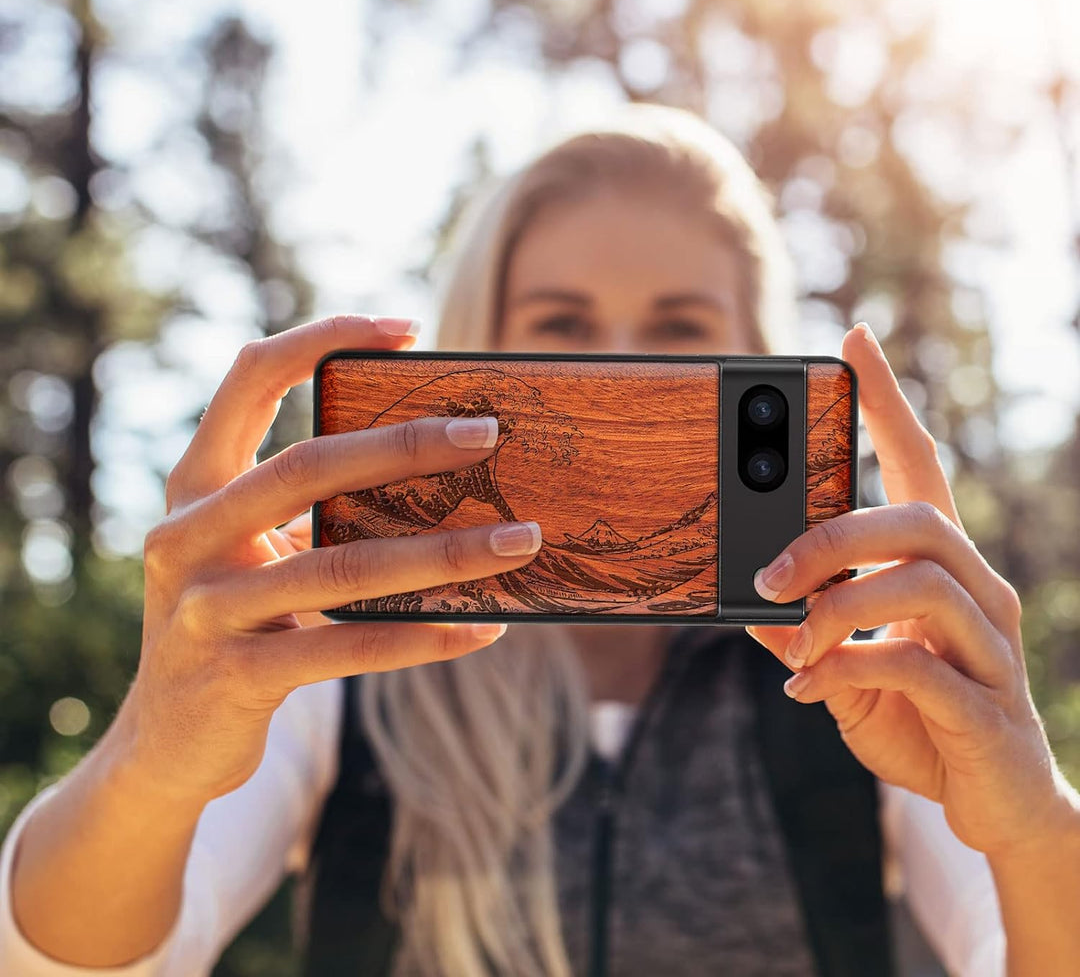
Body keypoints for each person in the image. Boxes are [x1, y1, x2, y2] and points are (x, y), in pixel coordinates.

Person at [2, 104, 1079, 977]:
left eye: (678, 331)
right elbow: (74, 963)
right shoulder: (342, 662)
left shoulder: (858, 670)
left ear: (760, 361)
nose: (616, 372)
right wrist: (155, 755)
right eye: (561, 328)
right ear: (480, 351)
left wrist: (1033, 828)